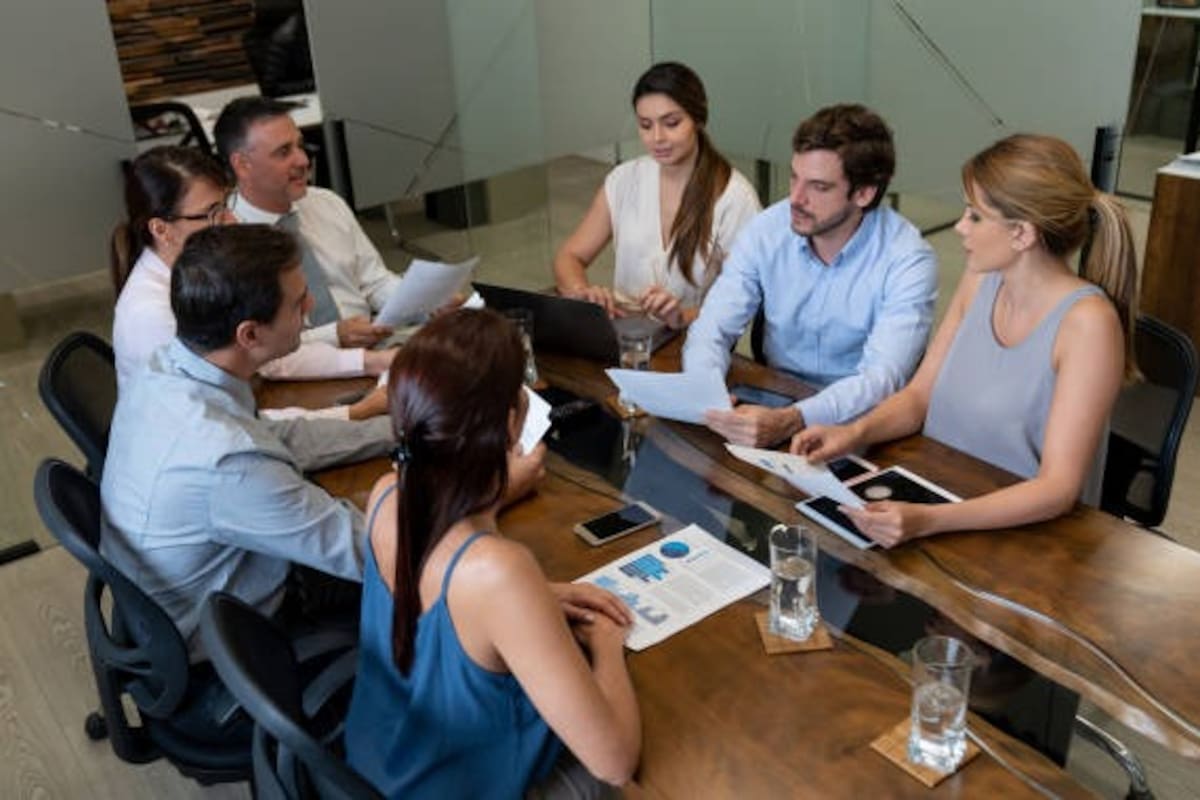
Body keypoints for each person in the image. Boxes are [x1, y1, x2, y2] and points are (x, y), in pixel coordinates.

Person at [345, 309, 641, 798]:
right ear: (510, 423)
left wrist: (532, 604)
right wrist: (608, 645)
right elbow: (615, 761)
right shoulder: (498, 573)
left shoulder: (385, 495)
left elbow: (440, 570)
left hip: (380, 765)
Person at [793, 133, 1137, 546]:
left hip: (1023, 536)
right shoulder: (980, 280)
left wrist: (932, 520)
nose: (959, 227)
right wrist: (855, 432)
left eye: (975, 216)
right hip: (941, 496)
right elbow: (919, 398)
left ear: (1022, 234)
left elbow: (1058, 489)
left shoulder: (1088, 325)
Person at [101, 225, 393, 653]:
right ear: (249, 335)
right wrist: (491, 490)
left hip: (187, 606)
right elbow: (378, 557)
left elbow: (277, 436)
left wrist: (396, 430)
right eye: (298, 303)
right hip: (239, 647)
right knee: (451, 590)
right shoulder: (228, 461)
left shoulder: (167, 367)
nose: (312, 306)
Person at [683, 104, 938, 447]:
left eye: (818, 187)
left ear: (864, 193)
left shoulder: (908, 258)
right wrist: (707, 393)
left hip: (858, 422)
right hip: (772, 395)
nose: (796, 199)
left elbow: (881, 379)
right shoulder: (767, 230)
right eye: (794, 177)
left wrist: (795, 419)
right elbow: (712, 327)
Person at [111, 146, 393, 419]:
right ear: (161, 229)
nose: (232, 221)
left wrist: (374, 361)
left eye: (226, 205)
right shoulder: (151, 315)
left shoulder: (203, 275)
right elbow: (226, 425)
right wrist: (357, 412)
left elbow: (270, 355)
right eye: (212, 213)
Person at [553, 62, 760, 328]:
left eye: (671, 123)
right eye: (645, 125)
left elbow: (744, 300)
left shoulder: (735, 197)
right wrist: (582, 294)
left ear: (698, 120)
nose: (657, 137)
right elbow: (569, 256)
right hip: (625, 335)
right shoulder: (624, 180)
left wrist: (682, 317)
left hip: (693, 343)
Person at [214, 96, 398, 349]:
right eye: (283, 152)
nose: (303, 161)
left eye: (300, 146)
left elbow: (375, 281)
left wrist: (425, 303)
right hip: (295, 370)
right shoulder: (227, 238)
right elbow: (252, 346)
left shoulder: (327, 203)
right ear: (242, 165)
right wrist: (333, 335)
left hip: (372, 342)